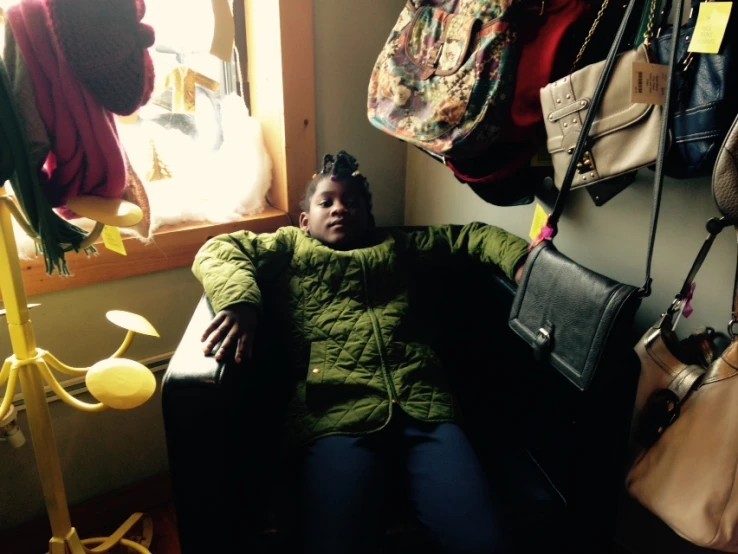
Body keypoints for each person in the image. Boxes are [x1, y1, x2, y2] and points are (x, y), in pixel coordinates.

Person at [192, 150, 529, 554]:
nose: (340, 209)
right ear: (305, 220)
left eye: (352, 202)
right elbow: (219, 249)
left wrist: (523, 261)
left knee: (485, 541)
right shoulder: (288, 247)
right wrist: (241, 303)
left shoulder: (398, 246)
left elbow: (472, 235)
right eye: (327, 202)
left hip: (424, 403)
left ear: (368, 216)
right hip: (335, 410)